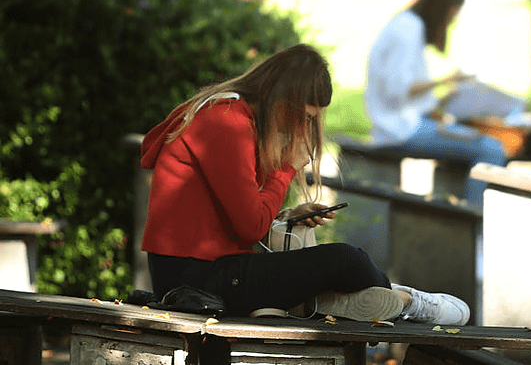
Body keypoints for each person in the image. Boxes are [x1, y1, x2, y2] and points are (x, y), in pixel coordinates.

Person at [140, 43, 469, 325]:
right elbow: (249, 228)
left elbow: (230, 217)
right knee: (345, 260)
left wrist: (286, 215)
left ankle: (322, 299)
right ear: (282, 99)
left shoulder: (232, 115)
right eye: (306, 116)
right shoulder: (227, 121)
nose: (307, 125)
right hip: (196, 280)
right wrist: (285, 169)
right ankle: (406, 301)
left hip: (208, 270)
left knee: (337, 260)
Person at [364, 0, 507, 205]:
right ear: (442, 9)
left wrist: (448, 97)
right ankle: (474, 221)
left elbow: (407, 93)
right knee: (492, 149)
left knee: (482, 137)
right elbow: (398, 89)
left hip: (405, 122)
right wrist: (446, 80)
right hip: (399, 130)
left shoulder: (409, 25)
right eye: (451, 16)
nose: (451, 23)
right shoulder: (408, 30)